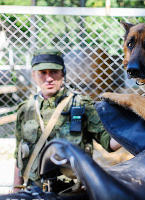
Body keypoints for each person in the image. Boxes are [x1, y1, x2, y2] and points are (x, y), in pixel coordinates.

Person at [13, 48, 121, 191]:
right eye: (42, 73)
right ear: (34, 75)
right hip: (35, 189)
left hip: (72, 190)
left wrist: (132, 129)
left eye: (54, 72)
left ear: (63, 73)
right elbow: (19, 156)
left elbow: (108, 142)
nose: (49, 78)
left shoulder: (81, 104)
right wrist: (16, 188)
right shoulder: (25, 109)